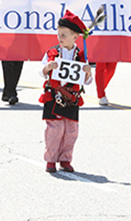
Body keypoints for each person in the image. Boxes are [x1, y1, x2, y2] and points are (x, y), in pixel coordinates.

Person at [39, 10, 93, 173]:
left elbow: (87, 81)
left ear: (76, 36)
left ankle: (65, 159)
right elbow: (41, 72)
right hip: (53, 96)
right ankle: (51, 159)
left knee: (71, 131)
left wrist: (88, 72)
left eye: (64, 35)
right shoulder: (52, 52)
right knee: (55, 130)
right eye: (59, 34)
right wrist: (47, 68)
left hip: (71, 98)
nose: (60, 38)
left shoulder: (81, 55)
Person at [1, 0, 26, 105]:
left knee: (18, 61)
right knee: (6, 60)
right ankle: (11, 92)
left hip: (21, 30)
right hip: (5, 30)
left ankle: (9, 90)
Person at [94, 0, 117, 105]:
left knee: (112, 68)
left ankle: (101, 88)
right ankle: (101, 94)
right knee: (101, 66)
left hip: (113, 33)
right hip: (99, 33)